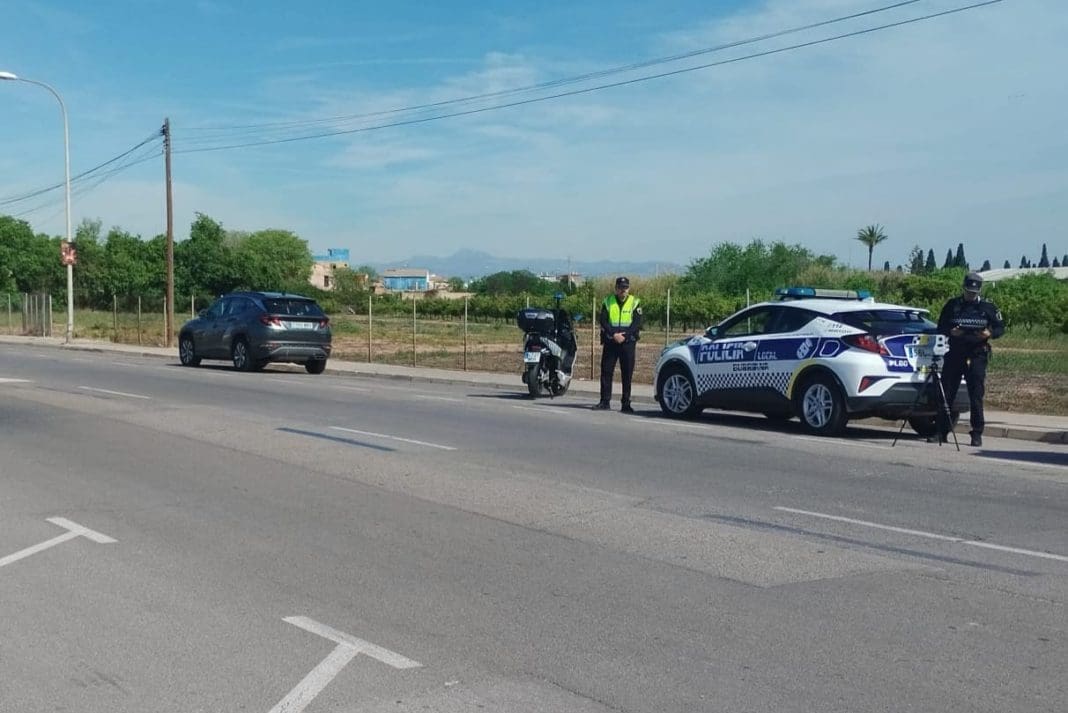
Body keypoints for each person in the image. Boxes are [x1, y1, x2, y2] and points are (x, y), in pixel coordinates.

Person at [934, 271, 1005, 446]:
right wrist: (951, 331)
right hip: (955, 353)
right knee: (947, 392)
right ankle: (941, 431)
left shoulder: (988, 308)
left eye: (974, 293)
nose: (971, 295)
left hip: (977, 354)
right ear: (963, 289)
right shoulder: (952, 305)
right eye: (968, 292)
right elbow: (941, 326)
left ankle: (976, 433)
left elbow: (1000, 328)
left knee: (976, 394)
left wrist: (989, 333)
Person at [595, 276, 642, 412]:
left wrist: (625, 336)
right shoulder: (608, 301)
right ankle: (605, 401)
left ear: (629, 289)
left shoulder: (635, 302)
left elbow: (637, 322)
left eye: (625, 287)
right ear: (616, 288)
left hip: (628, 343)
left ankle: (626, 403)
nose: (623, 290)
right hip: (611, 341)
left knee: (627, 373)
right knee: (606, 371)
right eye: (621, 288)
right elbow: (603, 320)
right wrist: (614, 334)